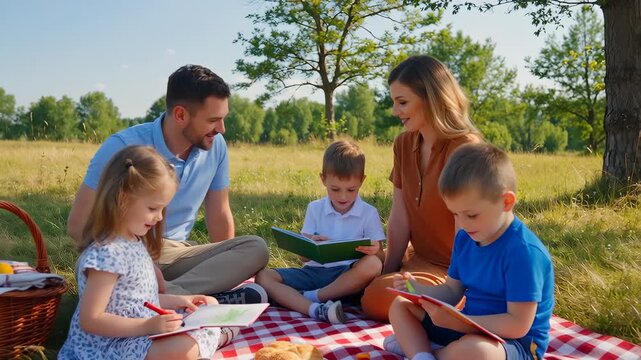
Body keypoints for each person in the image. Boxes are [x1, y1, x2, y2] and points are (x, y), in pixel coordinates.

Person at [67, 64, 269, 303]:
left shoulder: (216, 147)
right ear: (181, 114)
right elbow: (79, 225)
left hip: (175, 253)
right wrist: (137, 260)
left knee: (255, 248)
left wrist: (226, 266)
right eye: (213, 120)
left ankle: (167, 296)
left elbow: (219, 214)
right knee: (92, 271)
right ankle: (179, 298)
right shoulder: (122, 147)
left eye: (223, 119)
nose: (221, 129)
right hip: (121, 249)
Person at [384, 143, 555, 360]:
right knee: (401, 307)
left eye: (471, 215)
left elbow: (518, 325)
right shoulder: (466, 238)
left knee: (477, 351)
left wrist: (459, 322)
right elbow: (452, 291)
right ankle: (422, 355)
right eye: (455, 214)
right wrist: (418, 291)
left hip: (512, 345)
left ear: (506, 202)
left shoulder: (523, 252)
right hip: (466, 327)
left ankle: (426, 351)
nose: (462, 224)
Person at [59, 145, 232, 360]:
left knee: (210, 305)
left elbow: (139, 300)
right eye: (153, 209)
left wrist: (180, 300)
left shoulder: (133, 241)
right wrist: (148, 325)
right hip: (108, 347)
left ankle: (216, 332)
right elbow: (91, 319)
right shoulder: (107, 254)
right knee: (183, 351)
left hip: (138, 333)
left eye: (162, 209)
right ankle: (221, 334)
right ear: (123, 199)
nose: (159, 217)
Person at [361, 55, 482, 321]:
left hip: (454, 272)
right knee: (360, 271)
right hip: (418, 261)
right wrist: (386, 268)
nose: (395, 111)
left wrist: (455, 288)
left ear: (432, 99)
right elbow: (400, 215)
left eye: (402, 102)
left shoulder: (465, 149)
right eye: (394, 102)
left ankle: (450, 307)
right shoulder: (403, 144)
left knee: (377, 296)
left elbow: (470, 231)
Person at [255, 140, 385, 324]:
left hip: (348, 279)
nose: (343, 196)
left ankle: (310, 298)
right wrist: (310, 245)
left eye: (351, 190)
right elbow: (303, 259)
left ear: (362, 181)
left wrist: (375, 251)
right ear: (322, 179)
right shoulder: (314, 208)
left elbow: (380, 257)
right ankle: (315, 310)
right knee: (263, 276)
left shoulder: (368, 213)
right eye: (335, 189)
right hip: (314, 273)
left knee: (372, 264)